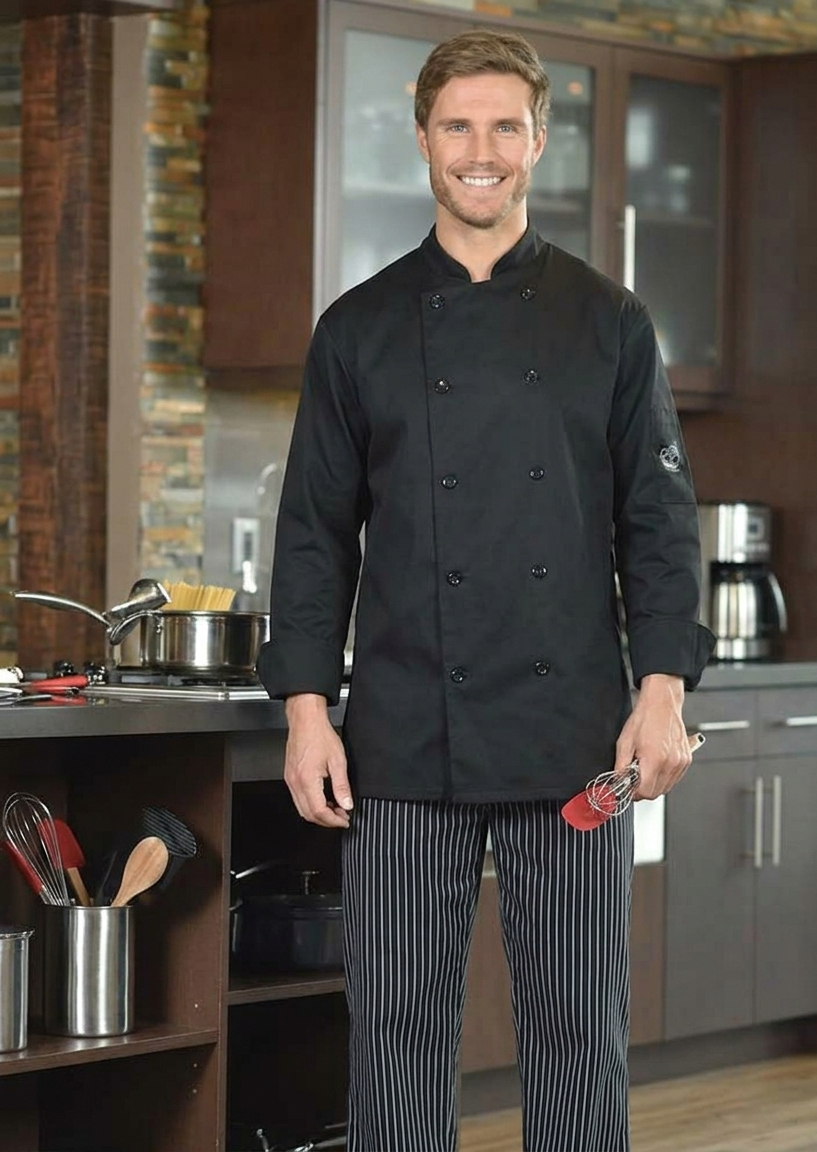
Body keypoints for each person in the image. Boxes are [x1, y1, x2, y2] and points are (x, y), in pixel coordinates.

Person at [257, 27, 715, 1152]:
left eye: (503, 126)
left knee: (575, 1028)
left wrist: (661, 688)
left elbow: (658, 524)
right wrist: (306, 713)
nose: (480, 150)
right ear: (423, 140)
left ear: (537, 140)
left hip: (573, 733)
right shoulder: (356, 329)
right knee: (397, 1026)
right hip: (405, 734)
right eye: (457, 125)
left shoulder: (611, 321)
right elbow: (314, 537)